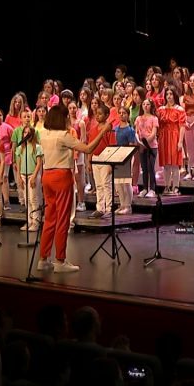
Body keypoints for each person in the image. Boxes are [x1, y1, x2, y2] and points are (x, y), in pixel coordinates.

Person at [37, 104, 111, 273]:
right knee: (62, 219)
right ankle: (60, 260)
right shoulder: (63, 136)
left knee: (49, 219)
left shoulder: (43, 133)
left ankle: (43, 258)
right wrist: (103, 130)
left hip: (47, 176)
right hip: (61, 176)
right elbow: (88, 149)